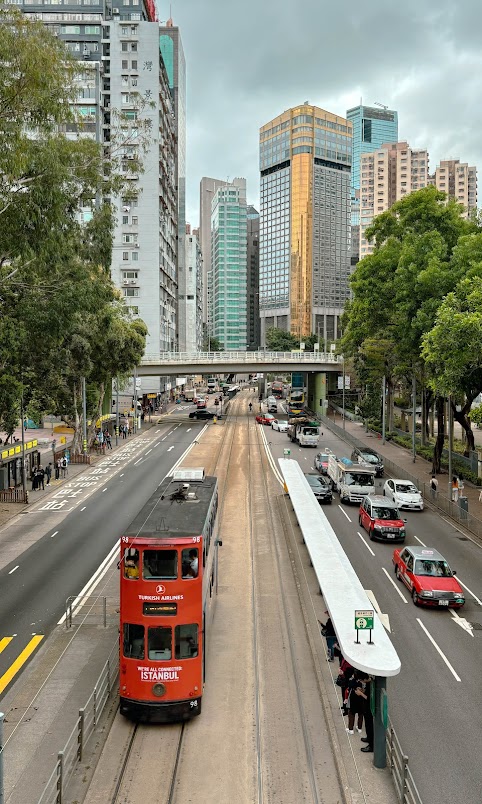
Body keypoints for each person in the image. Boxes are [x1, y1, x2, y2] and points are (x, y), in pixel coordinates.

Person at [356, 674, 374, 752]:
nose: (361, 682)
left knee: (370, 726)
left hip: (369, 708)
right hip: (366, 708)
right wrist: (362, 691)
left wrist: (361, 694)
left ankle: (371, 745)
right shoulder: (369, 683)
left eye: (361, 680)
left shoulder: (371, 685)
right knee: (367, 725)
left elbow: (370, 698)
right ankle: (368, 738)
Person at [346, 670, 365, 735]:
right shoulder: (362, 683)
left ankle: (351, 729)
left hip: (353, 700)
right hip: (361, 700)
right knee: (360, 714)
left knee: (351, 714)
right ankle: (359, 728)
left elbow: (348, 688)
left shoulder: (352, 682)